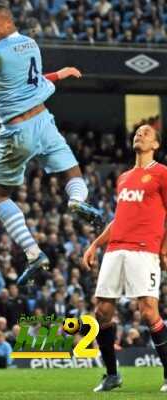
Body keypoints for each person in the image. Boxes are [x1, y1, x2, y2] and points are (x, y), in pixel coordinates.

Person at [0, 3, 102, 286]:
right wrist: (61, 73)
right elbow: (20, 81)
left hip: (17, 129)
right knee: (73, 174)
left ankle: (33, 253)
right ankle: (77, 202)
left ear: (7, 23)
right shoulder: (30, 43)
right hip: (43, 119)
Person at [83, 125, 167, 393]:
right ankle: (111, 375)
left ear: (155, 145)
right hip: (115, 249)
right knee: (102, 312)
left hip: (144, 249)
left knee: (148, 310)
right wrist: (95, 244)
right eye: (137, 132)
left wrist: (164, 250)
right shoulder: (123, 178)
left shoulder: (162, 174)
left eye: (146, 133)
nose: (139, 135)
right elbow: (119, 219)